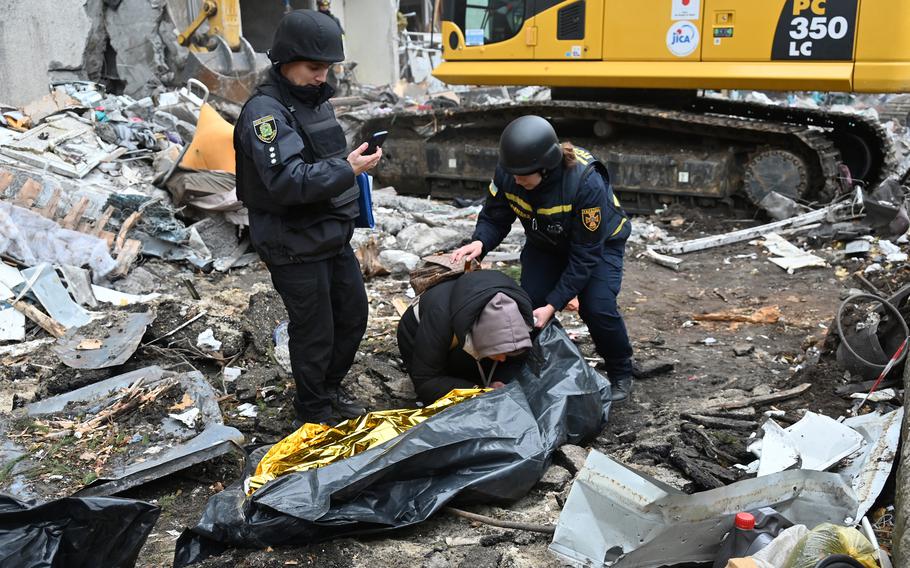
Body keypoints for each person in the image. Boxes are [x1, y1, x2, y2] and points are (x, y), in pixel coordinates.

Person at [234, 9, 381, 425]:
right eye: (314, 67)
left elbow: (324, 160)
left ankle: (329, 388)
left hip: (329, 234)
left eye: (328, 68)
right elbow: (285, 180)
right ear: (286, 61)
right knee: (314, 330)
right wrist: (347, 169)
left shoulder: (314, 101)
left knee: (352, 315)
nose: (322, 76)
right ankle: (313, 410)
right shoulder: (265, 113)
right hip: (291, 240)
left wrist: (353, 166)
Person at [451, 115, 634, 401]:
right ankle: (510, 369)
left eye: (523, 176)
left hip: (598, 245)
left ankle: (621, 370)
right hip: (545, 242)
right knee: (527, 304)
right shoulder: (511, 171)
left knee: (597, 308)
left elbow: (585, 256)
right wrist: (480, 242)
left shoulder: (586, 183)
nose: (516, 180)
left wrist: (554, 303)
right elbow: (495, 216)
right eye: (512, 173)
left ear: (546, 168)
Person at [397, 270, 534, 404]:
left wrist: (499, 379)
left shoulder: (518, 321)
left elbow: (518, 357)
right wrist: (476, 391)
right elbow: (426, 382)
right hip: (419, 335)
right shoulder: (440, 319)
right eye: (500, 352)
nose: (503, 359)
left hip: (461, 333)